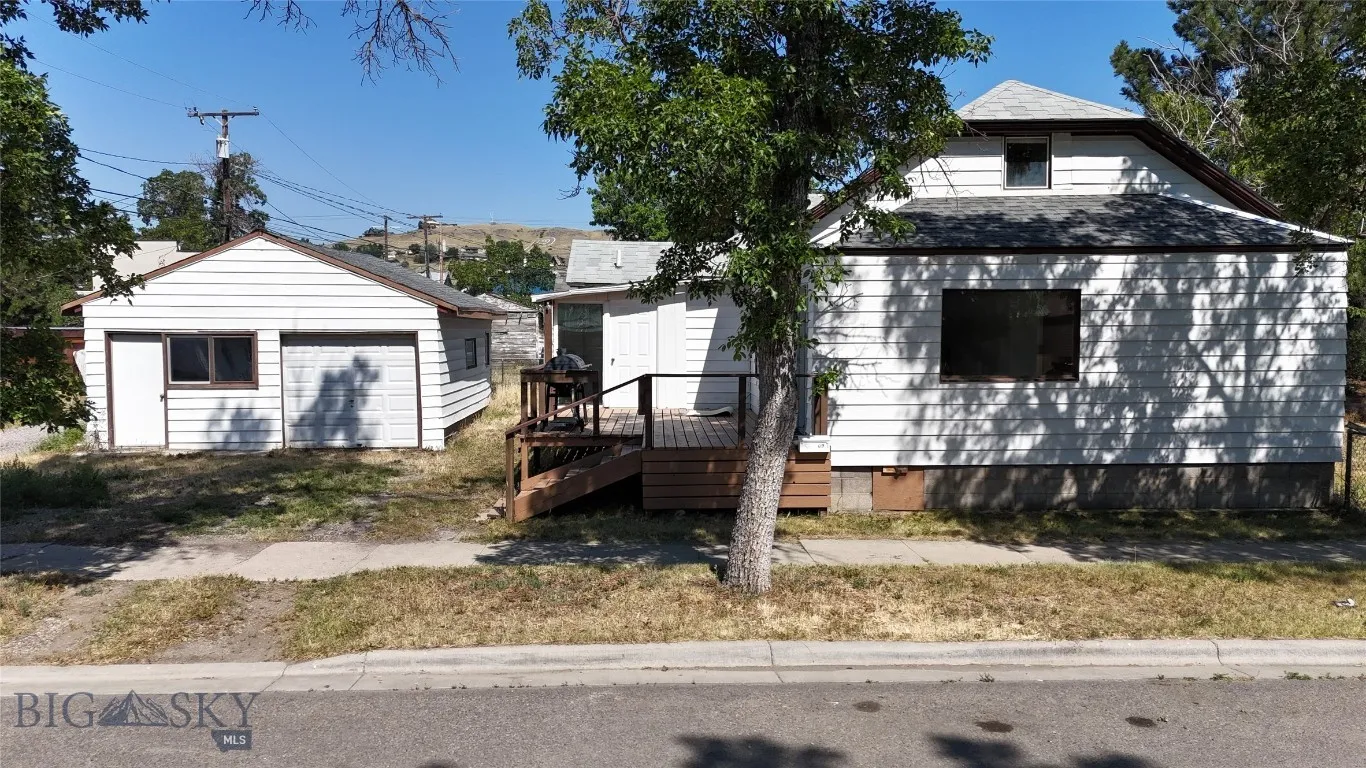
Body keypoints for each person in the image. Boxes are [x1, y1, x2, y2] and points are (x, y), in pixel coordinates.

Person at [545, 348, 589, 425]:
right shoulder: (557, 362)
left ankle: (546, 419)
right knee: (574, 392)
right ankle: (576, 415)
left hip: (558, 383)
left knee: (572, 392)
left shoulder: (554, 362)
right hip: (568, 384)